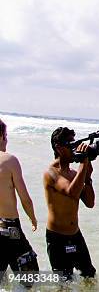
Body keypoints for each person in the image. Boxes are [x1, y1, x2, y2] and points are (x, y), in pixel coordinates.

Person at [43, 127, 96, 281]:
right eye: (71, 145)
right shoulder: (51, 173)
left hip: (75, 234)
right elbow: (71, 192)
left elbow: (90, 203)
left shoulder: (74, 173)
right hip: (57, 238)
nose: (75, 148)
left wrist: (88, 177)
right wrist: (83, 165)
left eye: (75, 144)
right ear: (59, 148)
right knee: (64, 283)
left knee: (90, 277)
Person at [0, 118, 39, 283]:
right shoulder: (9, 160)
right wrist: (33, 218)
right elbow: (25, 199)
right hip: (10, 230)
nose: (7, 140)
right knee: (31, 276)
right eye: (6, 135)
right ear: (0, 136)